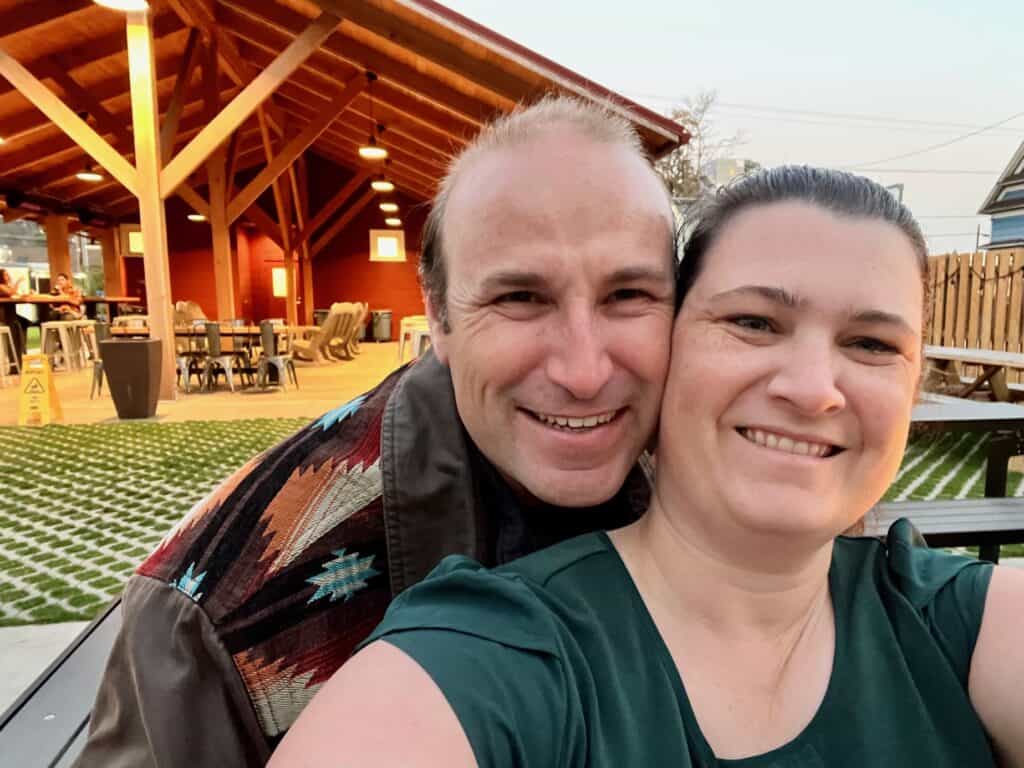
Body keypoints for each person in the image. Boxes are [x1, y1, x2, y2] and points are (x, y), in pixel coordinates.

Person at [271, 166, 1024, 767]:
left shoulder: (959, 624)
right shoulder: (502, 654)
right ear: (670, 348)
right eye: (754, 322)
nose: (813, 387)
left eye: (870, 345)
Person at [73, 95, 678, 767]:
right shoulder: (216, 614)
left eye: (628, 296)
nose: (585, 371)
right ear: (438, 318)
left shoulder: (717, 504)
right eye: (520, 298)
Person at [0, 267, 29, 361]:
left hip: (9, 313)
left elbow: (14, 293)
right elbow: (10, 293)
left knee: (25, 322)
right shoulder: (1, 286)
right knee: (17, 324)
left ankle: (21, 350)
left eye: (8, 274)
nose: (8, 276)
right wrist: (18, 282)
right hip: (3, 315)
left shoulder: (6, 285)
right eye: (5, 274)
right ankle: (17, 355)